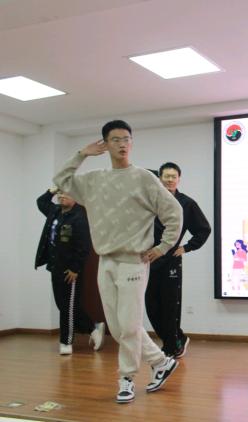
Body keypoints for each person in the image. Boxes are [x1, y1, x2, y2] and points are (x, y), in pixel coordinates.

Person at [53, 120, 183, 403]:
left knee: (129, 324)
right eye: (116, 139)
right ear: (105, 144)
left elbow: (174, 213)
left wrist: (162, 247)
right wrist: (82, 154)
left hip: (134, 261)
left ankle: (126, 378)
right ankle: (161, 362)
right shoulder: (94, 181)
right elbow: (61, 180)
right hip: (106, 260)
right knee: (118, 325)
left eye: (127, 139)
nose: (123, 144)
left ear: (132, 143)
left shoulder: (145, 178)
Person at [146, 162, 211, 359]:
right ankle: (178, 338)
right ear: (159, 178)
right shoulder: (150, 200)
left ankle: (172, 346)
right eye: (166, 176)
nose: (170, 180)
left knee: (169, 306)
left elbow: (203, 229)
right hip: (149, 260)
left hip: (171, 261)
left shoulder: (186, 203)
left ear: (179, 179)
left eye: (173, 176)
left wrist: (186, 247)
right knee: (151, 306)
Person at [35, 188, 105, 355]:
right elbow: (41, 202)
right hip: (55, 266)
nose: (62, 196)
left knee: (67, 306)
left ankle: (66, 342)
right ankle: (93, 327)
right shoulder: (55, 211)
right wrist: (52, 190)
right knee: (63, 305)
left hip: (69, 270)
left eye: (66, 193)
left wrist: (75, 269)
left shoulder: (79, 217)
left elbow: (84, 246)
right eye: (60, 193)